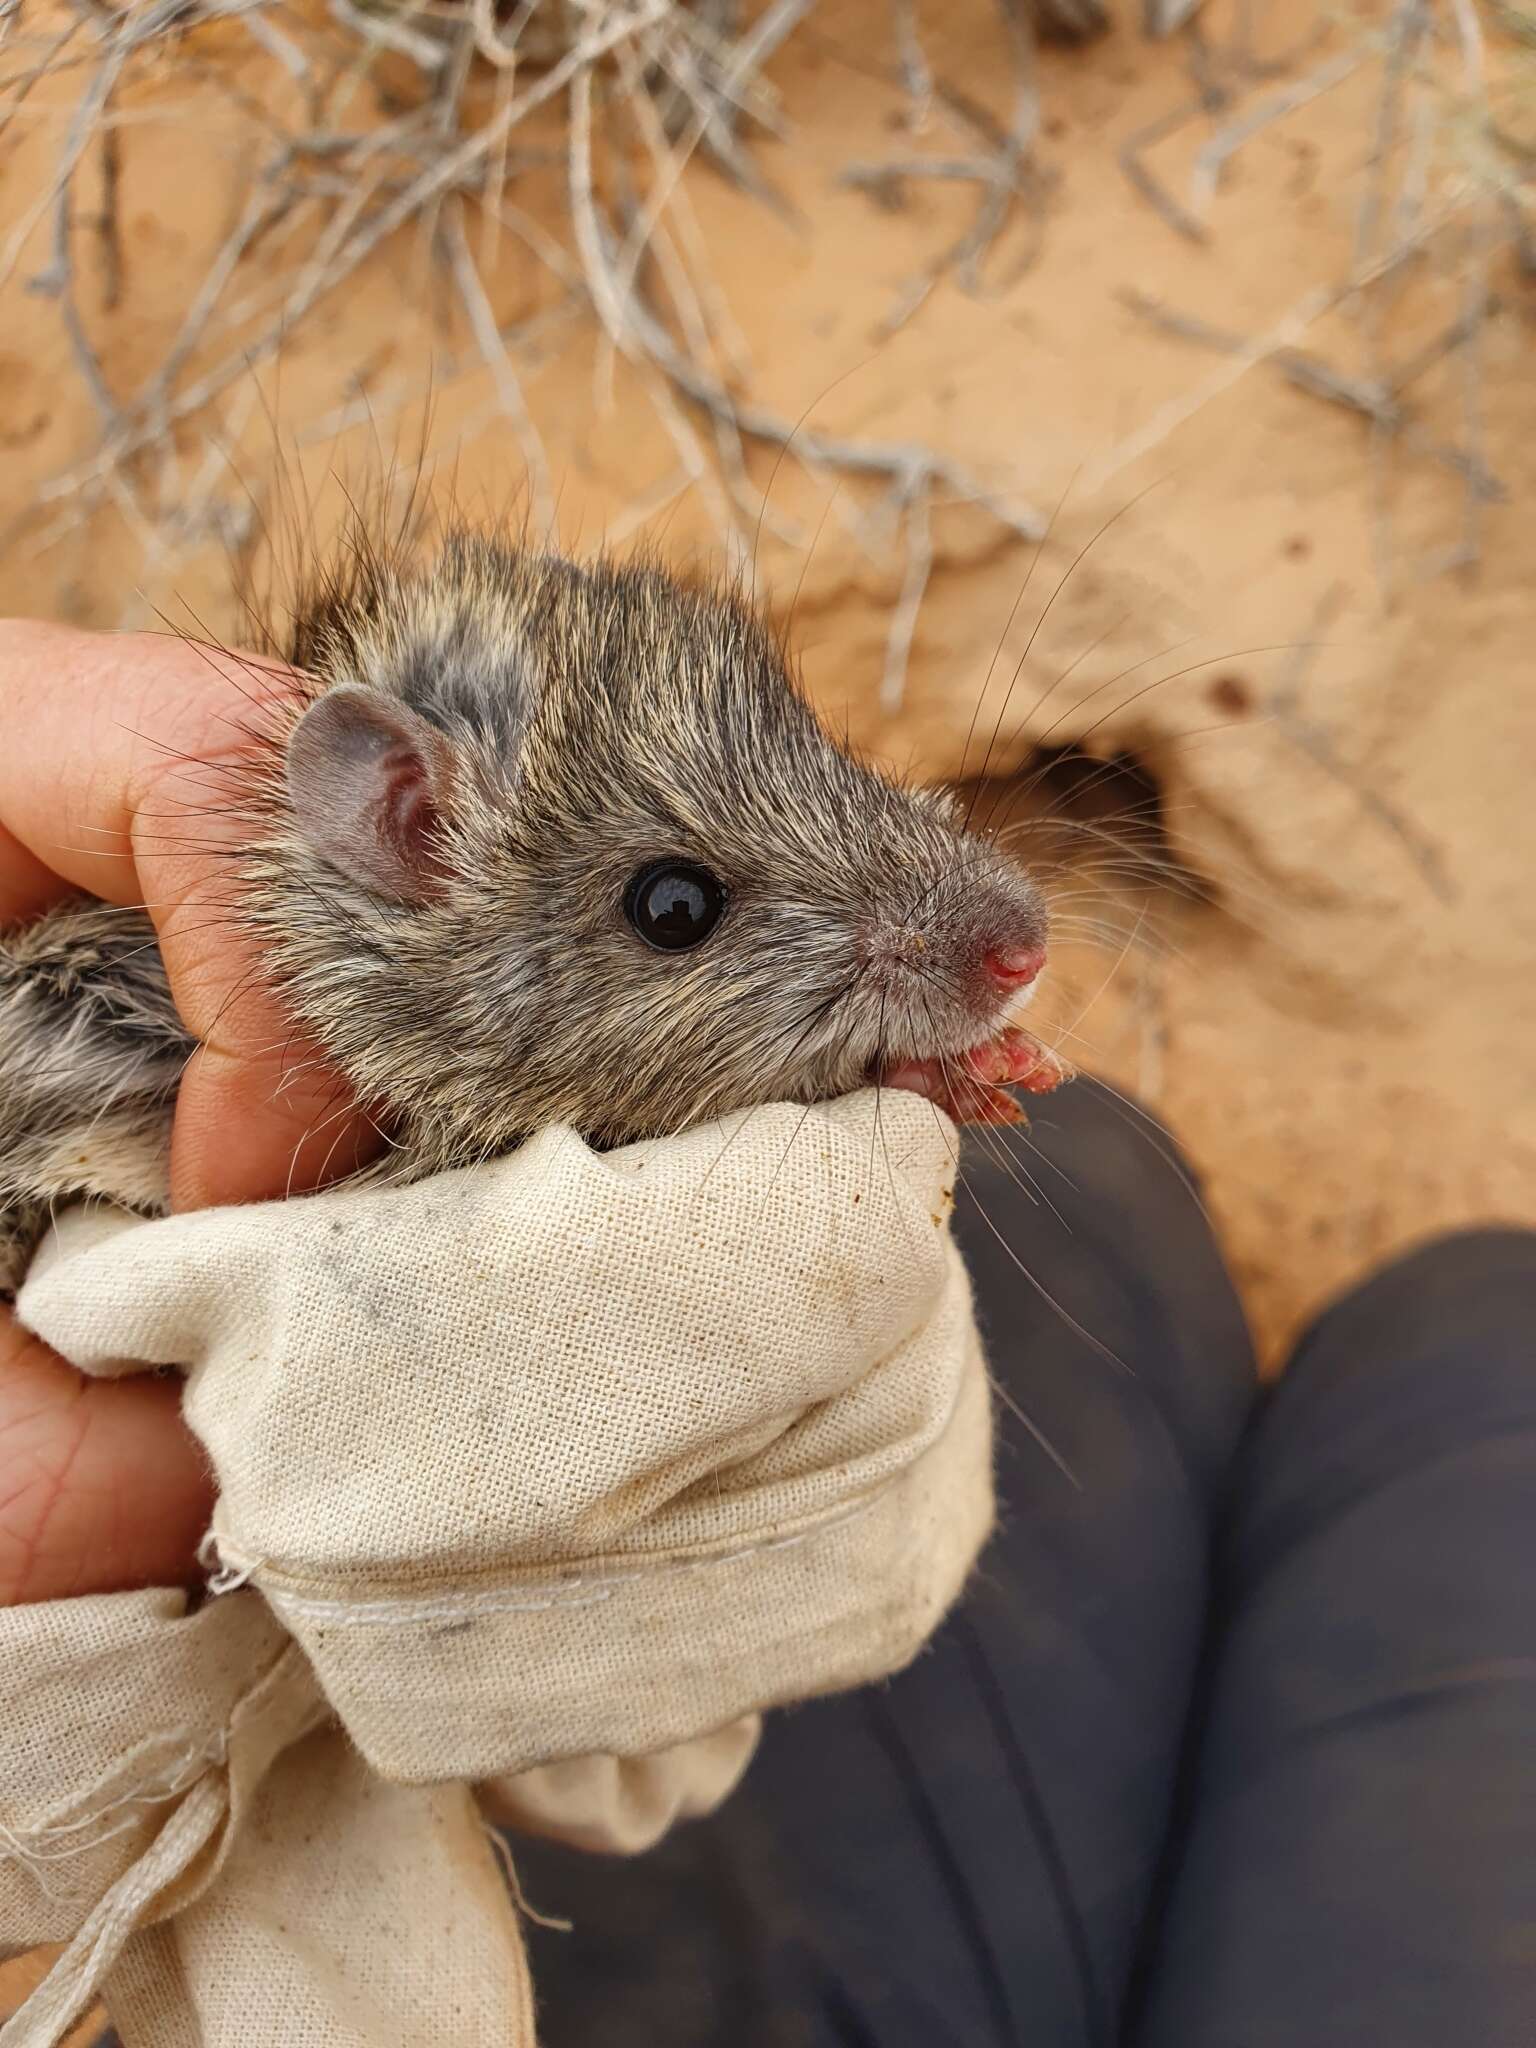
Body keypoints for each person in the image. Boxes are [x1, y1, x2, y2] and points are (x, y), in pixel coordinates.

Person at [2, 625, 1532, 2047]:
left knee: (1101, 1195)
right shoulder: (341, 1040)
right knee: (1482, 1362)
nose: (1004, 931)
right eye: (680, 907)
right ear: (406, 834)